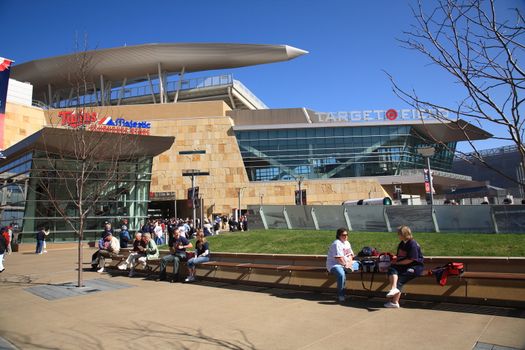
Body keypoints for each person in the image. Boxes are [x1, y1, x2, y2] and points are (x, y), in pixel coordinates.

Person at [384, 225, 424, 308]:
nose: (397, 235)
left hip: (415, 267)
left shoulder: (412, 244)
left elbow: (411, 259)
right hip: (405, 265)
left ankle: (395, 302)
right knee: (391, 268)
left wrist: (398, 263)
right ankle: (394, 288)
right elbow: (400, 256)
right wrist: (395, 258)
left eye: (399, 234)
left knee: (400, 279)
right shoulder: (402, 243)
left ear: (403, 234)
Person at [326, 228, 355, 302]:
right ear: (339, 235)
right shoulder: (336, 243)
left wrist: (350, 263)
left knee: (359, 264)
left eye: (346, 235)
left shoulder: (347, 243)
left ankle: (348, 269)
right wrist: (346, 265)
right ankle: (341, 295)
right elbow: (339, 258)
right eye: (343, 235)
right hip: (334, 265)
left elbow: (351, 255)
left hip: (346, 264)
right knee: (341, 274)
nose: (345, 236)